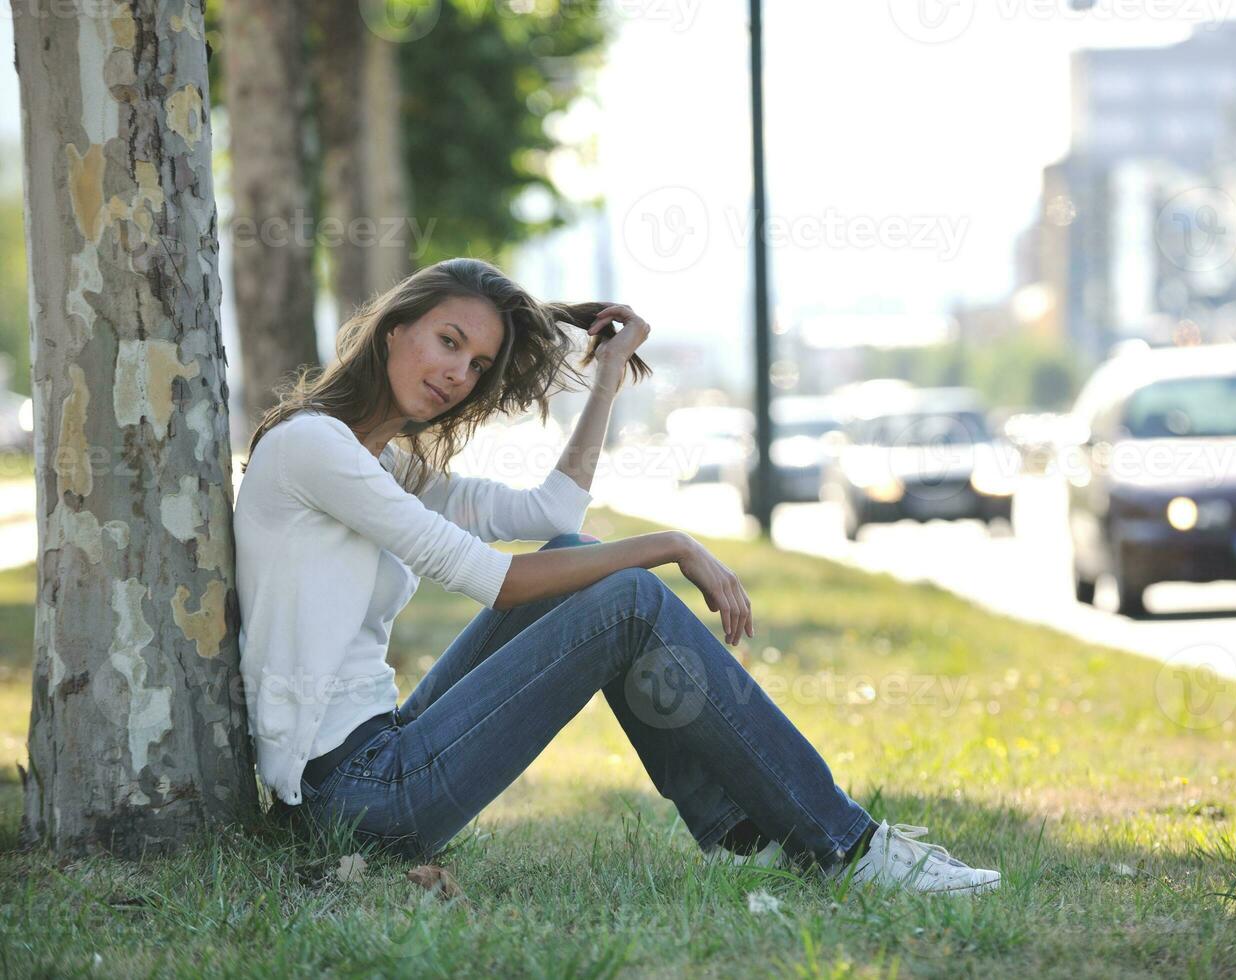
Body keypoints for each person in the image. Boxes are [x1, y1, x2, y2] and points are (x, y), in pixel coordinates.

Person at [235, 257, 1000, 896]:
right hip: (358, 794)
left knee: (575, 550)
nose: (457, 375)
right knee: (629, 597)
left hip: (379, 753)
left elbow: (551, 507)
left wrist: (606, 376)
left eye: (475, 365)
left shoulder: (379, 461)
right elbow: (493, 582)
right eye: (447, 341)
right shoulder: (315, 449)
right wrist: (666, 544)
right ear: (394, 328)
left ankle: (741, 839)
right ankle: (849, 846)